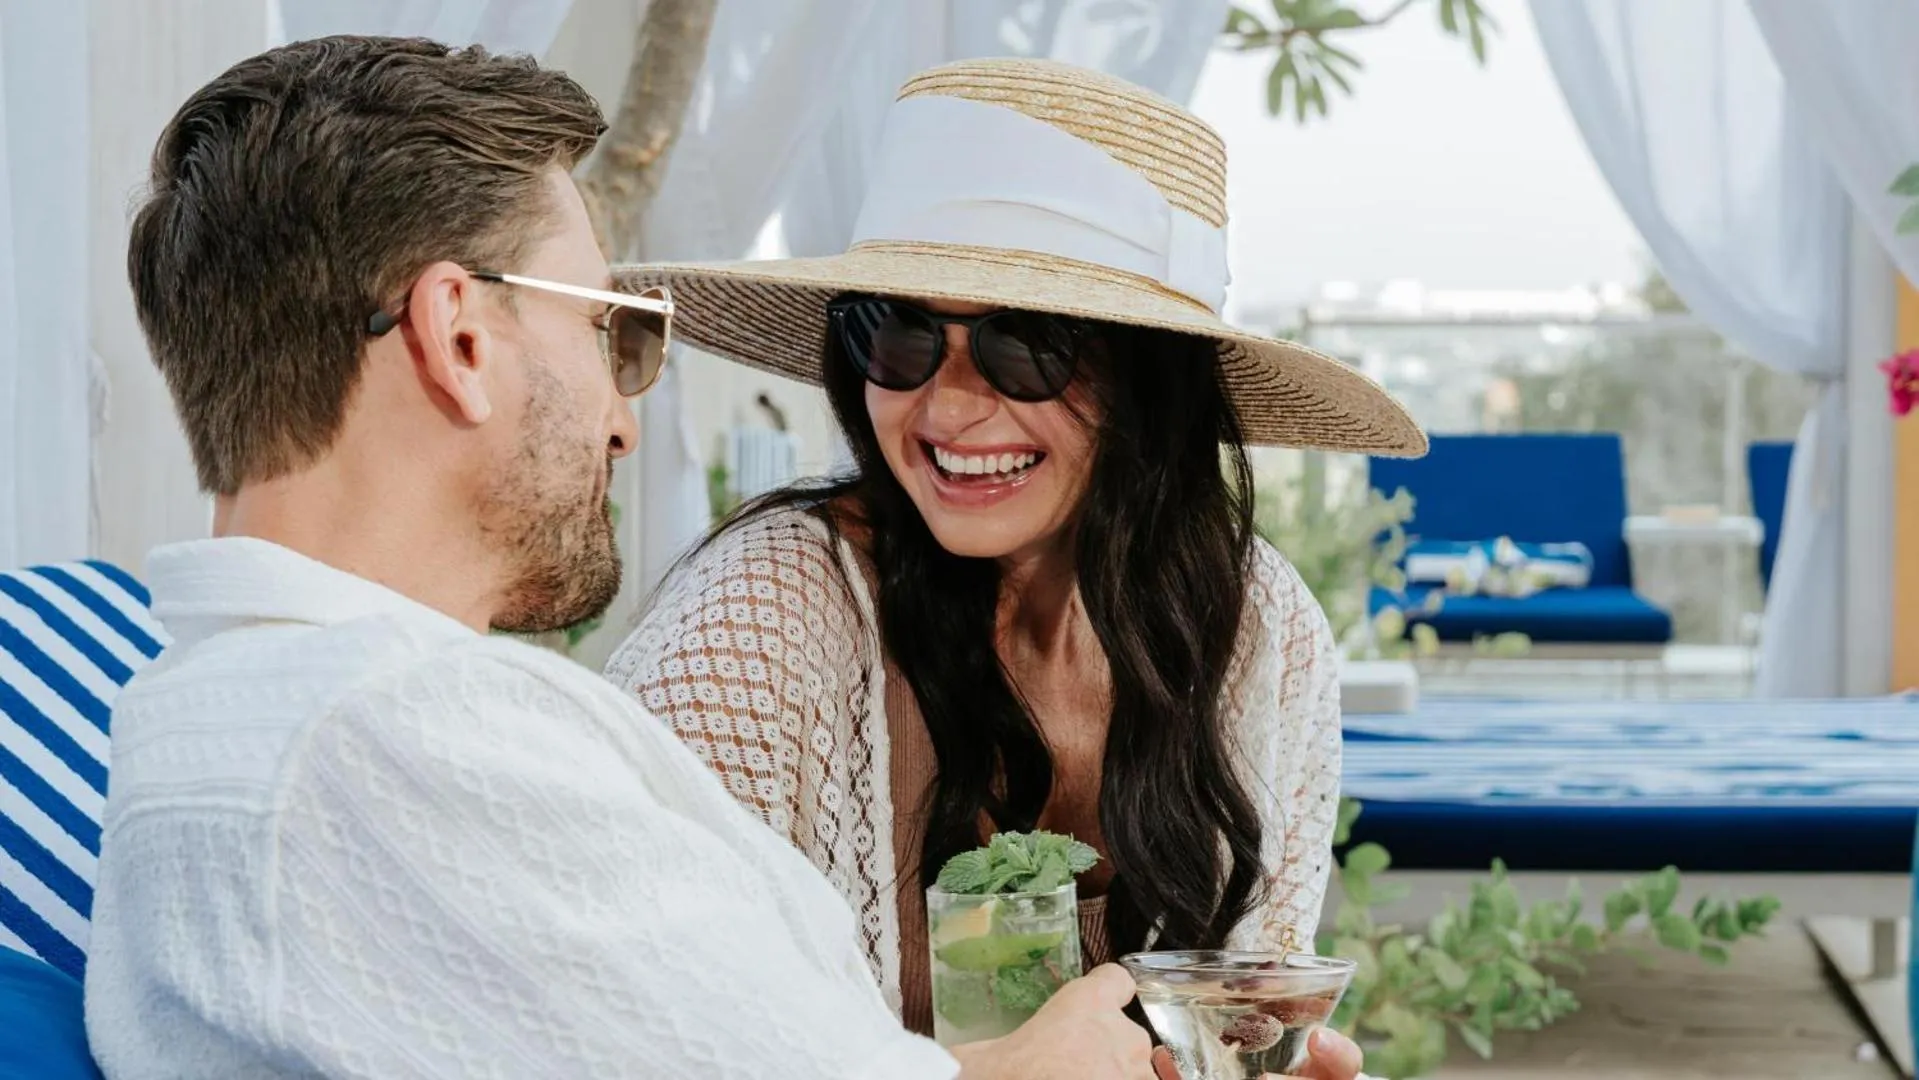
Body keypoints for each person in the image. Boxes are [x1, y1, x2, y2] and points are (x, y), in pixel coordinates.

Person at [82, 35, 1158, 1080]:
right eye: (608, 331)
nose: (622, 421)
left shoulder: (216, 714)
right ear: (460, 338)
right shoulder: (403, 739)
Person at [607, 58, 1425, 1077]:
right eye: (897, 334)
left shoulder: (1263, 634)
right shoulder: (764, 618)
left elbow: (1238, 1019)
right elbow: (597, 1030)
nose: (946, 410)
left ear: (1149, 381)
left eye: (1025, 347)